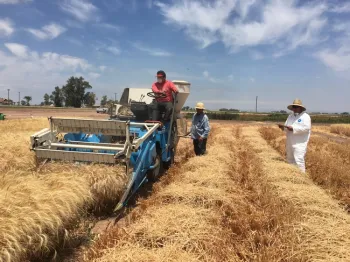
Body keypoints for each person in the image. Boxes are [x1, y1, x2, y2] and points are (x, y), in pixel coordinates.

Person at [278, 99, 311, 173]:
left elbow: (306, 128)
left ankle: (302, 178)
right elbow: (287, 126)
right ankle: (292, 175)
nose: (294, 108)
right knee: (289, 159)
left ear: (300, 108)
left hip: (300, 143)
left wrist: (293, 129)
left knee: (298, 160)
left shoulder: (305, 117)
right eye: (293, 107)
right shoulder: (290, 116)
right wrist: (283, 127)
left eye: (296, 107)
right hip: (290, 141)